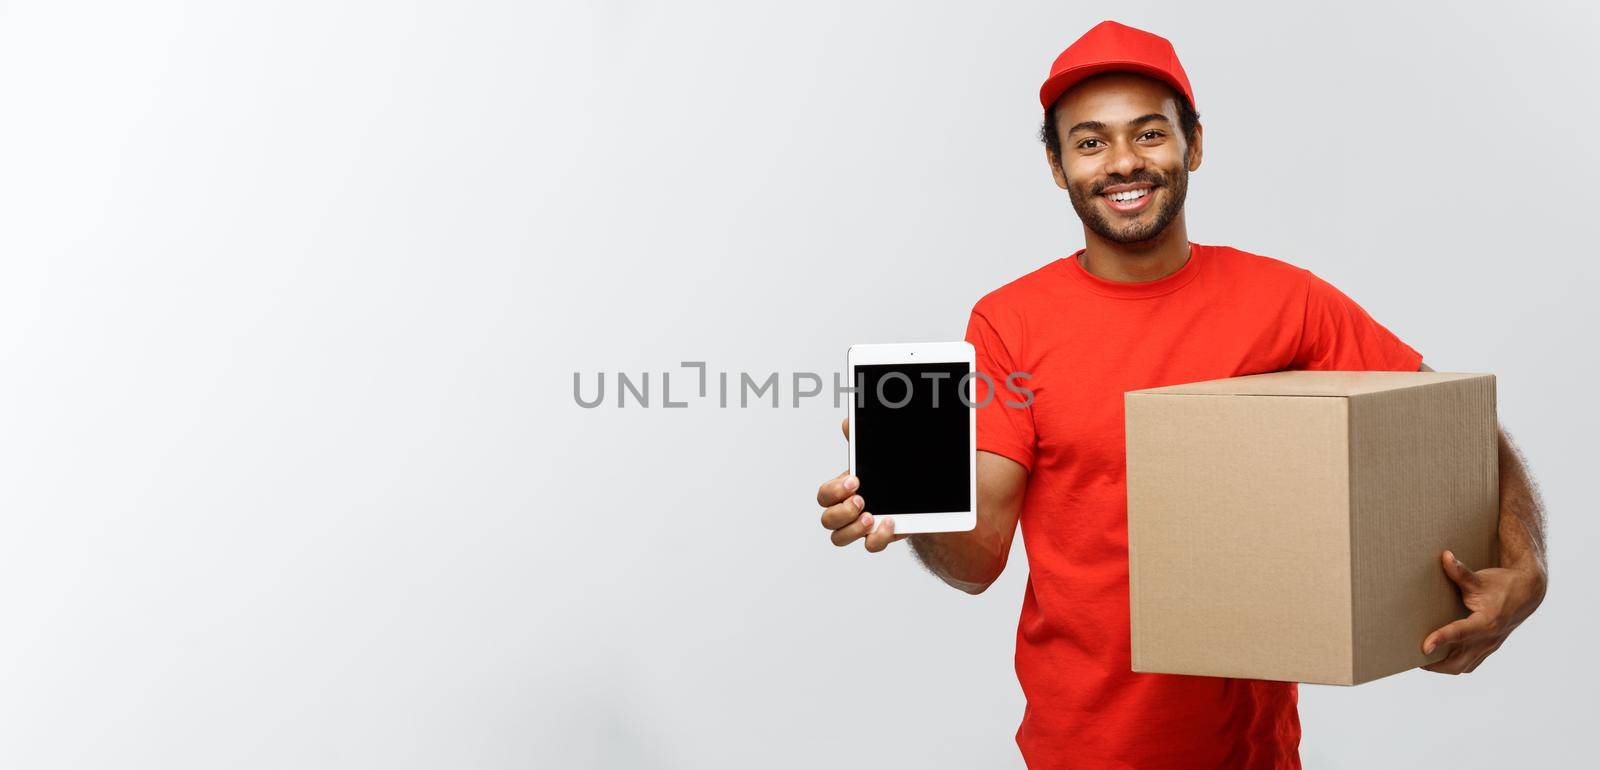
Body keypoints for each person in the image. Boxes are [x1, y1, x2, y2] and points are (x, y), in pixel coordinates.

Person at [813, 20, 1548, 770]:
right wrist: (912, 508)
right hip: (1083, 750)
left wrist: (1526, 565)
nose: (1123, 162)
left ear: (1193, 146)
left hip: (1254, 753)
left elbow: (1454, 425)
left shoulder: (1285, 302)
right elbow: (978, 562)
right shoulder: (1009, 323)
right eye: (1091, 142)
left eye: (1150, 134)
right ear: (1057, 166)